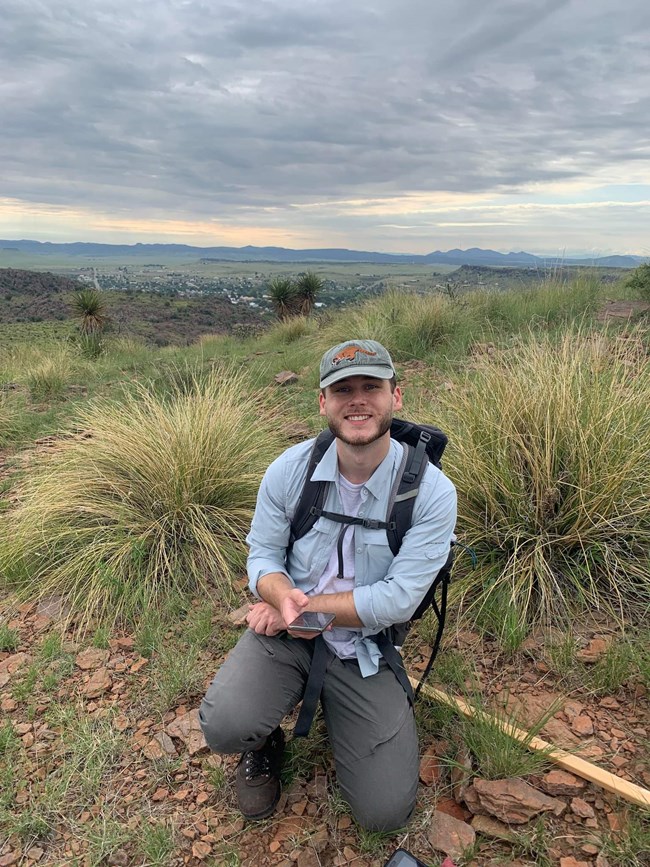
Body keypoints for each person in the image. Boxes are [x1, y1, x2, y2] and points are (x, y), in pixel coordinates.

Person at [199, 339, 457, 831]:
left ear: (395, 397)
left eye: (371, 387)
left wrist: (299, 608)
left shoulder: (431, 492)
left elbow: (400, 599)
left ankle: (347, 717)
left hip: (365, 645)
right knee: (226, 725)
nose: (357, 400)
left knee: (384, 813)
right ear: (323, 402)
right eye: (342, 390)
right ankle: (264, 740)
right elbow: (264, 555)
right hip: (286, 634)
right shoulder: (290, 470)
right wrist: (279, 596)